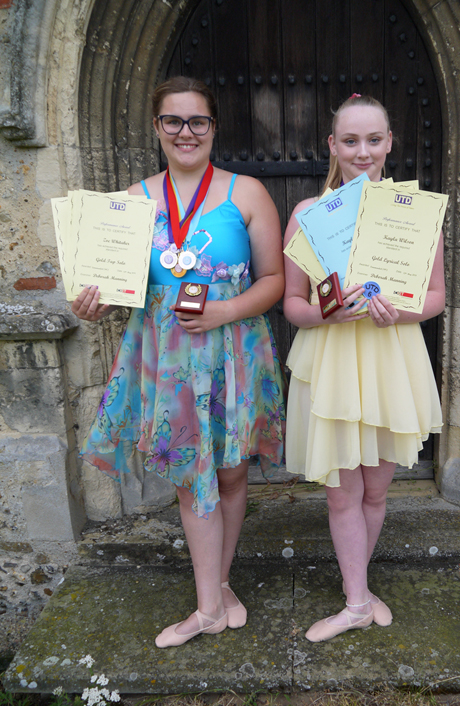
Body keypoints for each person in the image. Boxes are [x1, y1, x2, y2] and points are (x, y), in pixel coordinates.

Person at [72, 76, 285, 648]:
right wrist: (94, 305)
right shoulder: (131, 204)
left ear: (214, 128)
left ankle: (217, 583)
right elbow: (118, 288)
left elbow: (274, 281)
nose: (185, 132)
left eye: (198, 122)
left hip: (234, 349)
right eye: (173, 121)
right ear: (158, 128)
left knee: (234, 471)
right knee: (194, 479)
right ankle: (209, 608)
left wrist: (225, 311)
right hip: (166, 356)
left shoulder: (246, 194)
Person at [283, 94, 444, 642]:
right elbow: (293, 305)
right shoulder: (308, 215)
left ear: (389, 143)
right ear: (332, 145)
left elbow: (437, 297)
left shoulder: (415, 215)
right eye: (350, 140)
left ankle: (359, 585)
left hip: (389, 357)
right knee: (341, 492)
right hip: (335, 358)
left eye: (373, 139)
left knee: (376, 491)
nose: (362, 151)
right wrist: (330, 312)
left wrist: (398, 309)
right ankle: (355, 602)